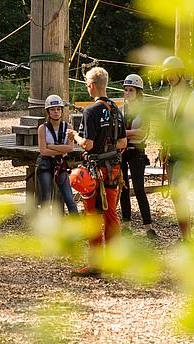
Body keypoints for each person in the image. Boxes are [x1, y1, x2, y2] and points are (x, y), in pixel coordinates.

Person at [67, 67, 127, 277]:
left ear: (91, 85)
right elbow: (123, 141)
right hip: (113, 169)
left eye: (86, 83)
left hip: (96, 171)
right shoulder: (116, 110)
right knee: (111, 214)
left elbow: (89, 144)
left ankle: (95, 264)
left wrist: (75, 135)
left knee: (92, 217)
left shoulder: (90, 111)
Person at [160, 56, 194, 242]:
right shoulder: (172, 96)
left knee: (177, 192)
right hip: (171, 151)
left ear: (181, 72)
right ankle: (186, 236)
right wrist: (163, 147)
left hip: (186, 152)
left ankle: (187, 239)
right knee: (176, 197)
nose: (168, 77)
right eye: (166, 74)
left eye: (171, 73)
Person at [119, 74, 157, 239]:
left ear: (138, 92)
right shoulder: (121, 110)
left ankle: (148, 227)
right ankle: (126, 225)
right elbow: (119, 133)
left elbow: (142, 133)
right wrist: (127, 134)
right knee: (123, 188)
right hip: (122, 152)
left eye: (131, 90)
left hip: (137, 151)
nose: (128, 93)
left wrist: (123, 134)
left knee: (139, 189)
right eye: (126, 90)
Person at [36, 94, 78, 214]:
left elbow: (70, 148)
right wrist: (61, 149)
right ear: (48, 112)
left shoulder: (68, 127)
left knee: (69, 197)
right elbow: (43, 151)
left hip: (60, 164)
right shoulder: (42, 128)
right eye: (53, 110)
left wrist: (52, 146)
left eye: (58, 109)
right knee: (46, 199)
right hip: (45, 164)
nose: (56, 112)